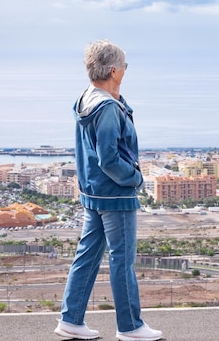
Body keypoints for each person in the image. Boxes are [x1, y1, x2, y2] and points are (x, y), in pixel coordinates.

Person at [54, 40, 162, 341]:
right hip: (116, 196)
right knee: (122, 261)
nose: (126, 71)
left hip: (92, 193)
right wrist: (136, 179)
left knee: (87, 256)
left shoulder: (86, 100)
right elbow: (109, 159)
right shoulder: (108, 109)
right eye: (125, 66)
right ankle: (130, 327)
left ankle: (71, 320)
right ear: (114, 70)